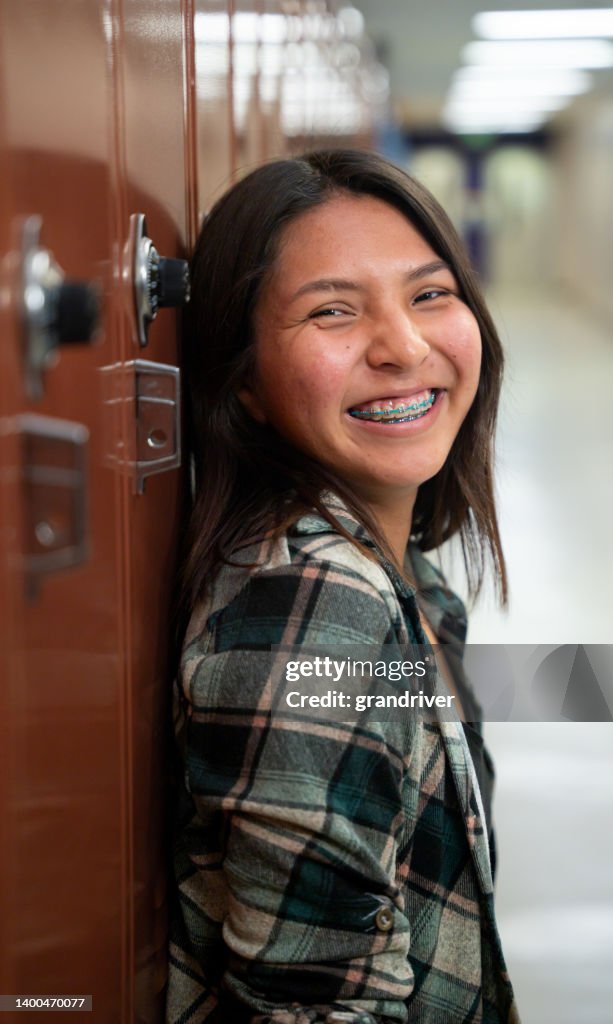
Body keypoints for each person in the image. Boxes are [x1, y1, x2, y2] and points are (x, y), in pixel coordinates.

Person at [166, 149, 519, 1024]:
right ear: (242, 380)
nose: (404, 347)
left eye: (430, 294)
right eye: (332, 311)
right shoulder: (319, 610)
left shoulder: (406, 577)